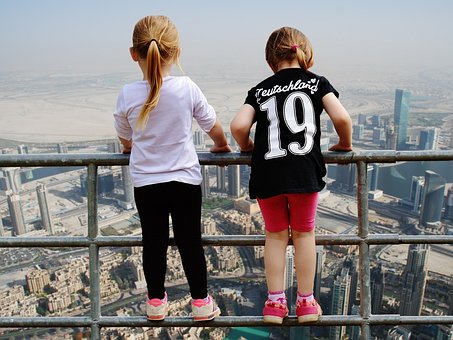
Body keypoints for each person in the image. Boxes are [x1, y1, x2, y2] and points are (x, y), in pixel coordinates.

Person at [230, 26, 352, 324]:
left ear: (271, 60)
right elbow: (342, 118)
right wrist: (344, 145)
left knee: (274, 235)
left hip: (267, 173)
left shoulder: (259, 90)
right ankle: (307, 303)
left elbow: (237, 127)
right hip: (303, 172)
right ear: (305, 53)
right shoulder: (317, 83)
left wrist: (248, 146)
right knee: (304, 233)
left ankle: (274, 303)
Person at [113, 15, 231, 321]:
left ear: (133, 53)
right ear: (176, 52)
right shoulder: (187, 87)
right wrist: (220, 145)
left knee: (153, 242)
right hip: (184, 181)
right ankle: (201, 303)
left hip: (146, 183)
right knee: (190, 241)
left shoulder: (127, 93)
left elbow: (124, 137)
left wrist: (129, 148)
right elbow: (212, 125)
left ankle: (155, 303)